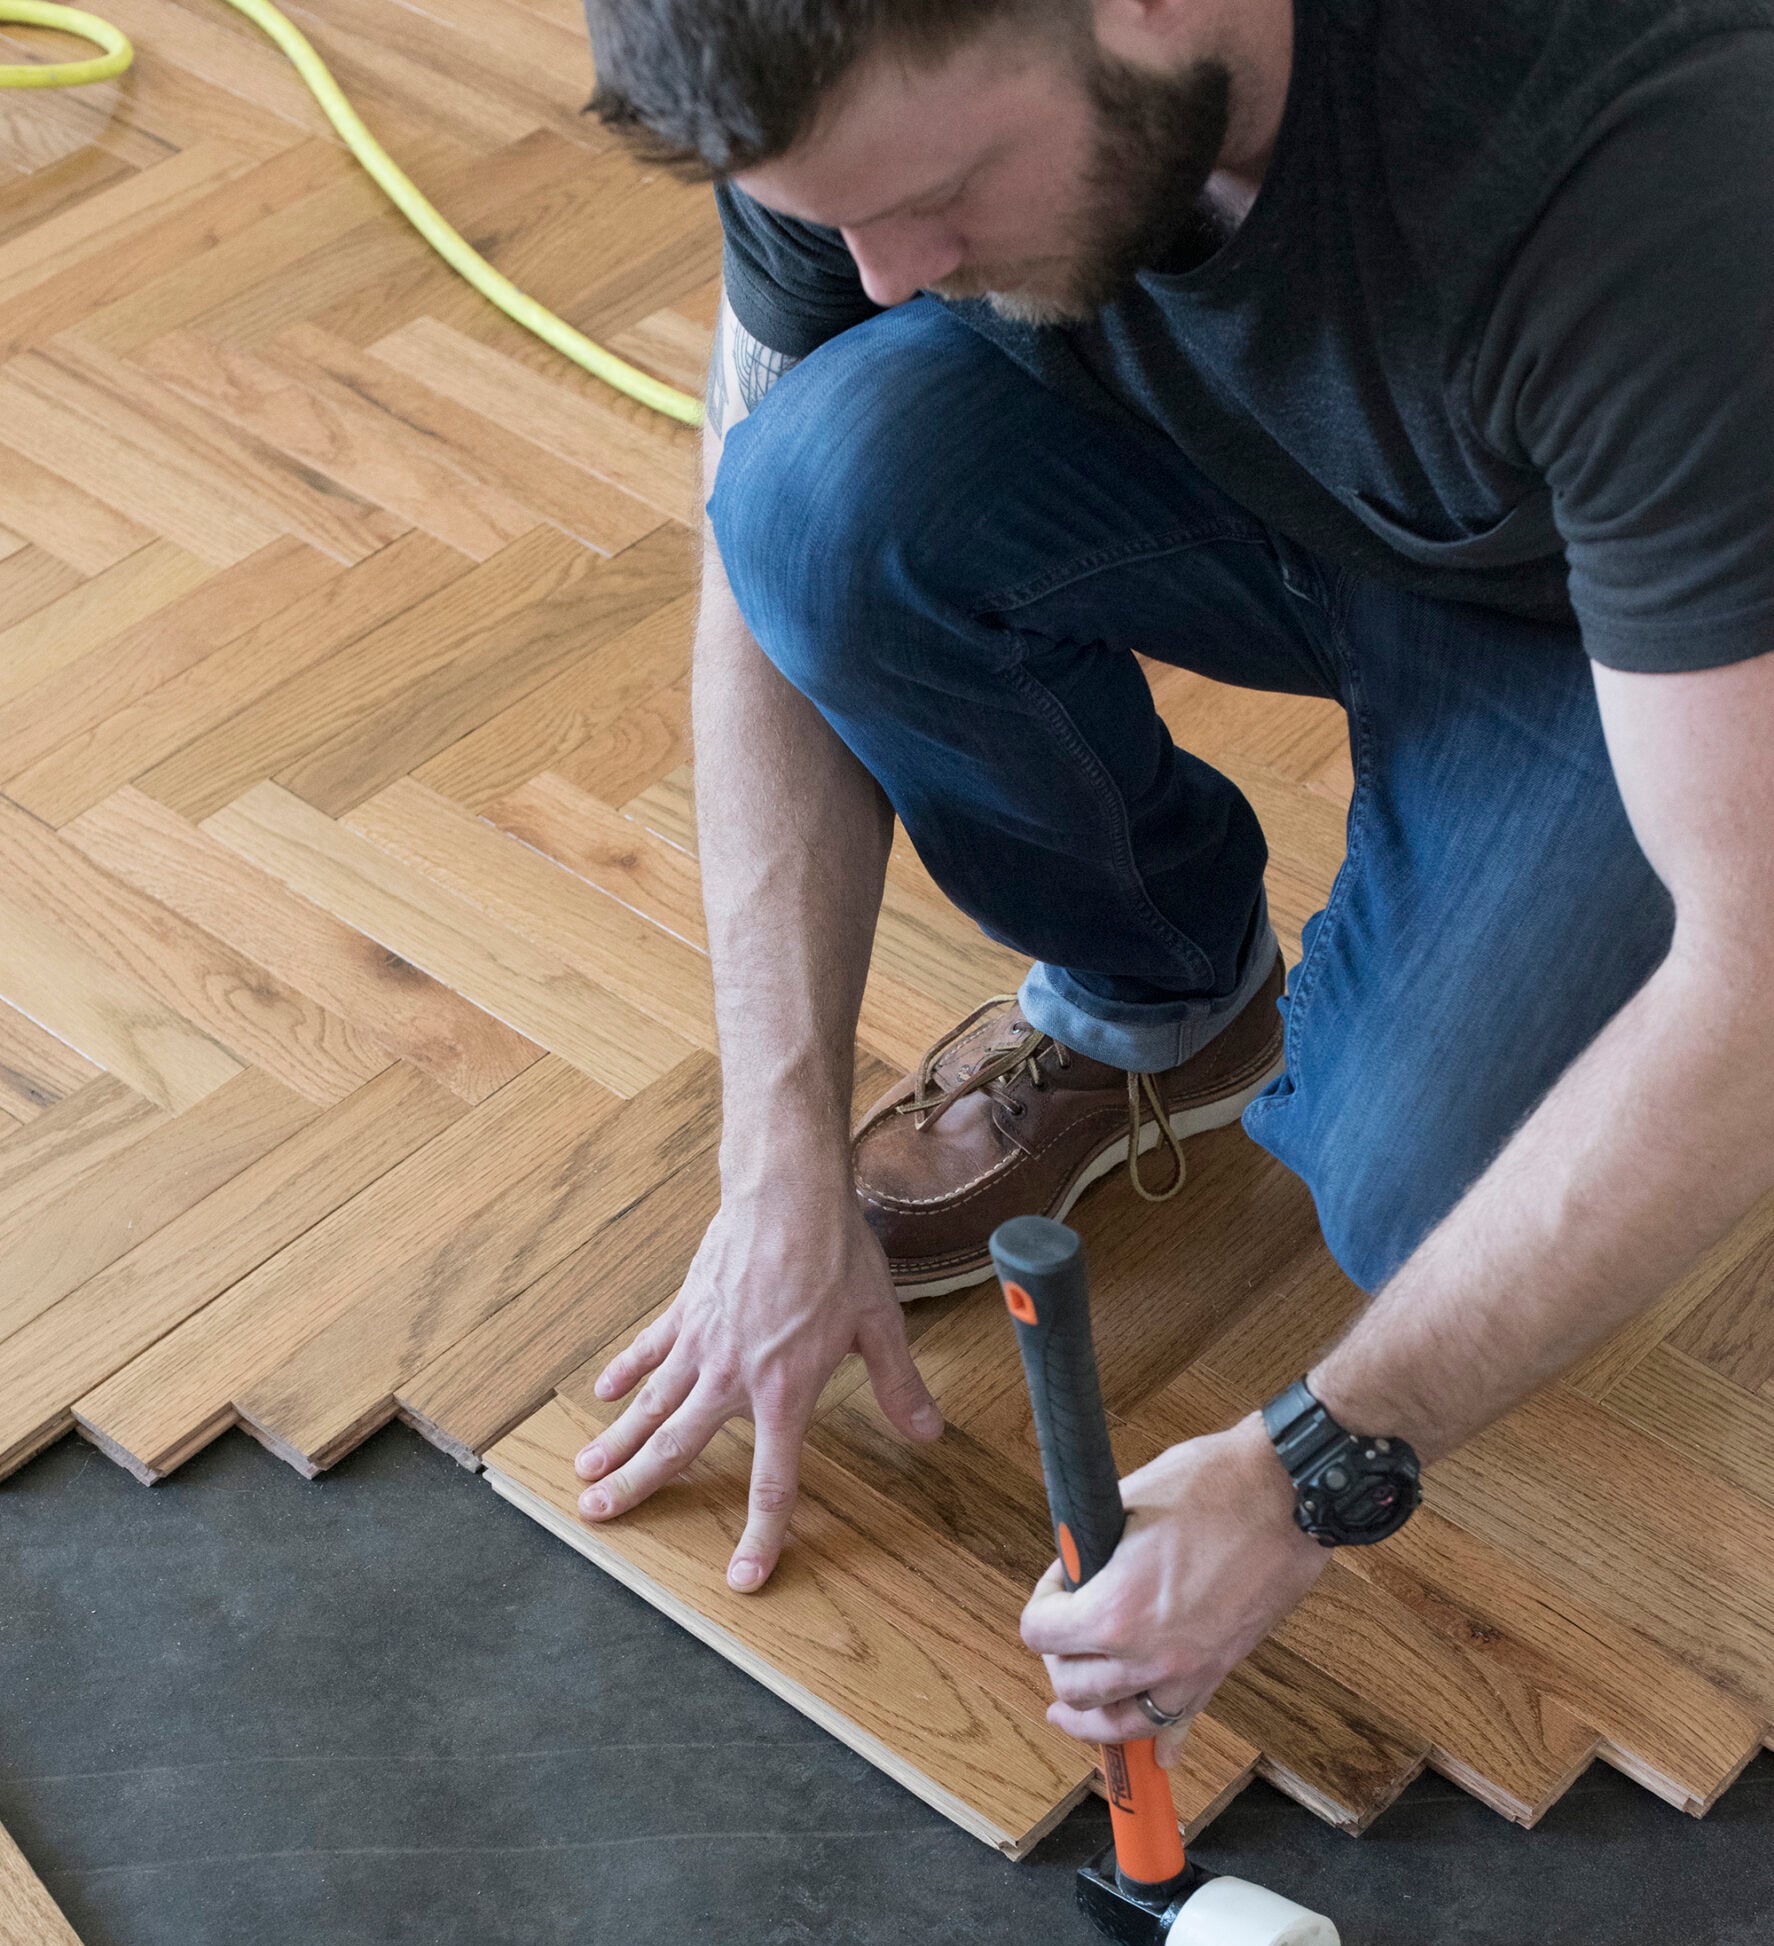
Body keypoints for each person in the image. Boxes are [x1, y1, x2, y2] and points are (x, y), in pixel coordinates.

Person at [571, 0, 1774, 1765]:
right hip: (1337, 471)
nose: (889, 277)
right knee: (816, 490)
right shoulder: (857, 112)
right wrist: (775, 1161)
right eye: (836, 217)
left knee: (1420, 1196)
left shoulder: (1644, 155)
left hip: (1627, 617)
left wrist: (1309, 1471)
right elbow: (754, 591)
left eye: (941, 190)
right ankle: (1162, 994)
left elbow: (1749, 975)